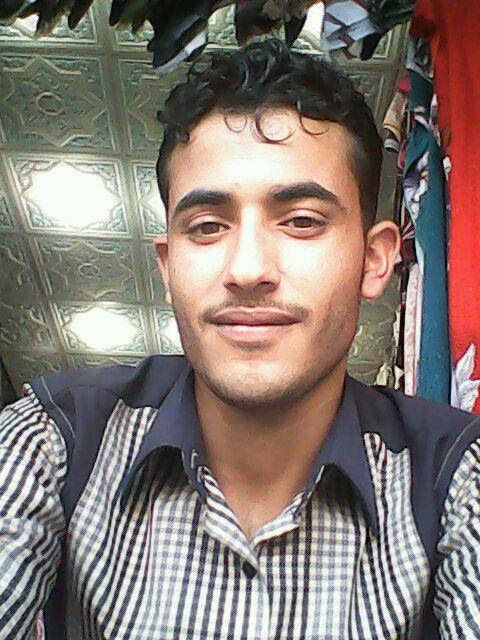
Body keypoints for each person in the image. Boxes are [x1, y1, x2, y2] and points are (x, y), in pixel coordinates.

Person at [1, 38, 479, 640]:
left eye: (301, 221)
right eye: (207, 227)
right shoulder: (54, 438)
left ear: (375, 260)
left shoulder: (456, 475)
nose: (248, 269)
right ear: (168, 268)